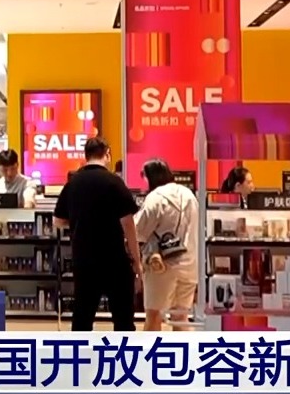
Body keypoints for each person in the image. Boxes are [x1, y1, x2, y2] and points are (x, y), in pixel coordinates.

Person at [52, 137, 142, 331]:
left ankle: (79, 350)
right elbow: (128, 224)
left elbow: (58, 221)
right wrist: (136, 260)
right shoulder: (114, 182)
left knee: (82, 318)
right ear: (107, 154)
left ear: (85, 156)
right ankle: (124, 350)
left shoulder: (73, 183)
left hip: (83, 260)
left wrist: (79, 220)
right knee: (123, 319)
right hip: (114, 259)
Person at [135, 159, 199, 331]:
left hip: (162, 265)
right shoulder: (189, 195)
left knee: (154, 316)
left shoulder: (155, 197)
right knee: (181, 317)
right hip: (189, 265)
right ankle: (182, 349)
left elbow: (139, 230)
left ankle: (152, 348)